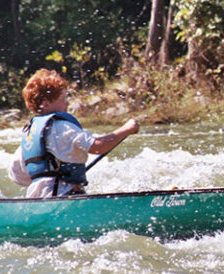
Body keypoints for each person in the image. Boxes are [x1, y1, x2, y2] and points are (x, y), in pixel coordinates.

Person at [9, 68, 140, 198]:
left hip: (37, 198)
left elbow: (17, 176)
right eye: (63, 99)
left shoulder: (30, 135)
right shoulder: (62, 127)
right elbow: (98, 146)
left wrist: (48, 174)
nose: (67, 103)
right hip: (65, 196)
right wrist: (126, 129)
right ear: (46, 104)